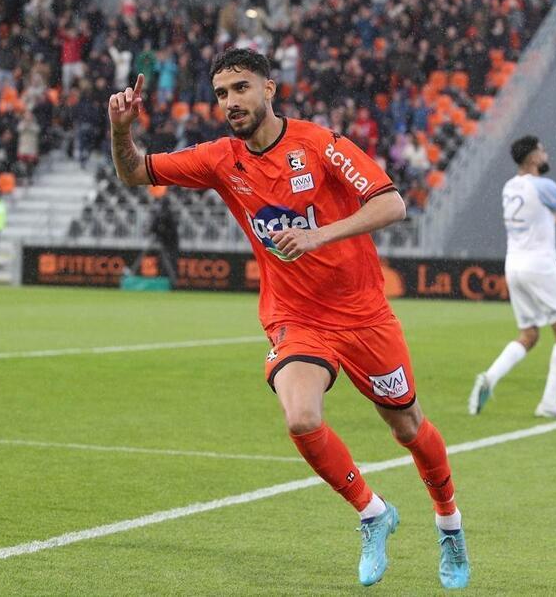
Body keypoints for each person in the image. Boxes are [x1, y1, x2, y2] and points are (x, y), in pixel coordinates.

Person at [108, 48, 469, 589]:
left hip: (364, 316)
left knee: (407, 427)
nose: (231, 102)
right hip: (295, 317)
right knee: (301, 417)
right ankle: (373, 513)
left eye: (241, 89)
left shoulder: (321, 145)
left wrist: (318, 234)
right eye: (222, 93)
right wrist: (121, 129)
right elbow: (135, 172)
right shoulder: (219, 158)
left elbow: (392, 203)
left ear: (270, 89)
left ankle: (450, 524)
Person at [469, 136, 556, 418]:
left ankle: (489, 377)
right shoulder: (543, 185)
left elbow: (548, 219)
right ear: (534, 157)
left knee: (529, 334)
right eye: (543, 150)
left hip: (514, 266)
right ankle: (549, 401)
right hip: (540, 265)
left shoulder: (510, 187)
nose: (547, 154)